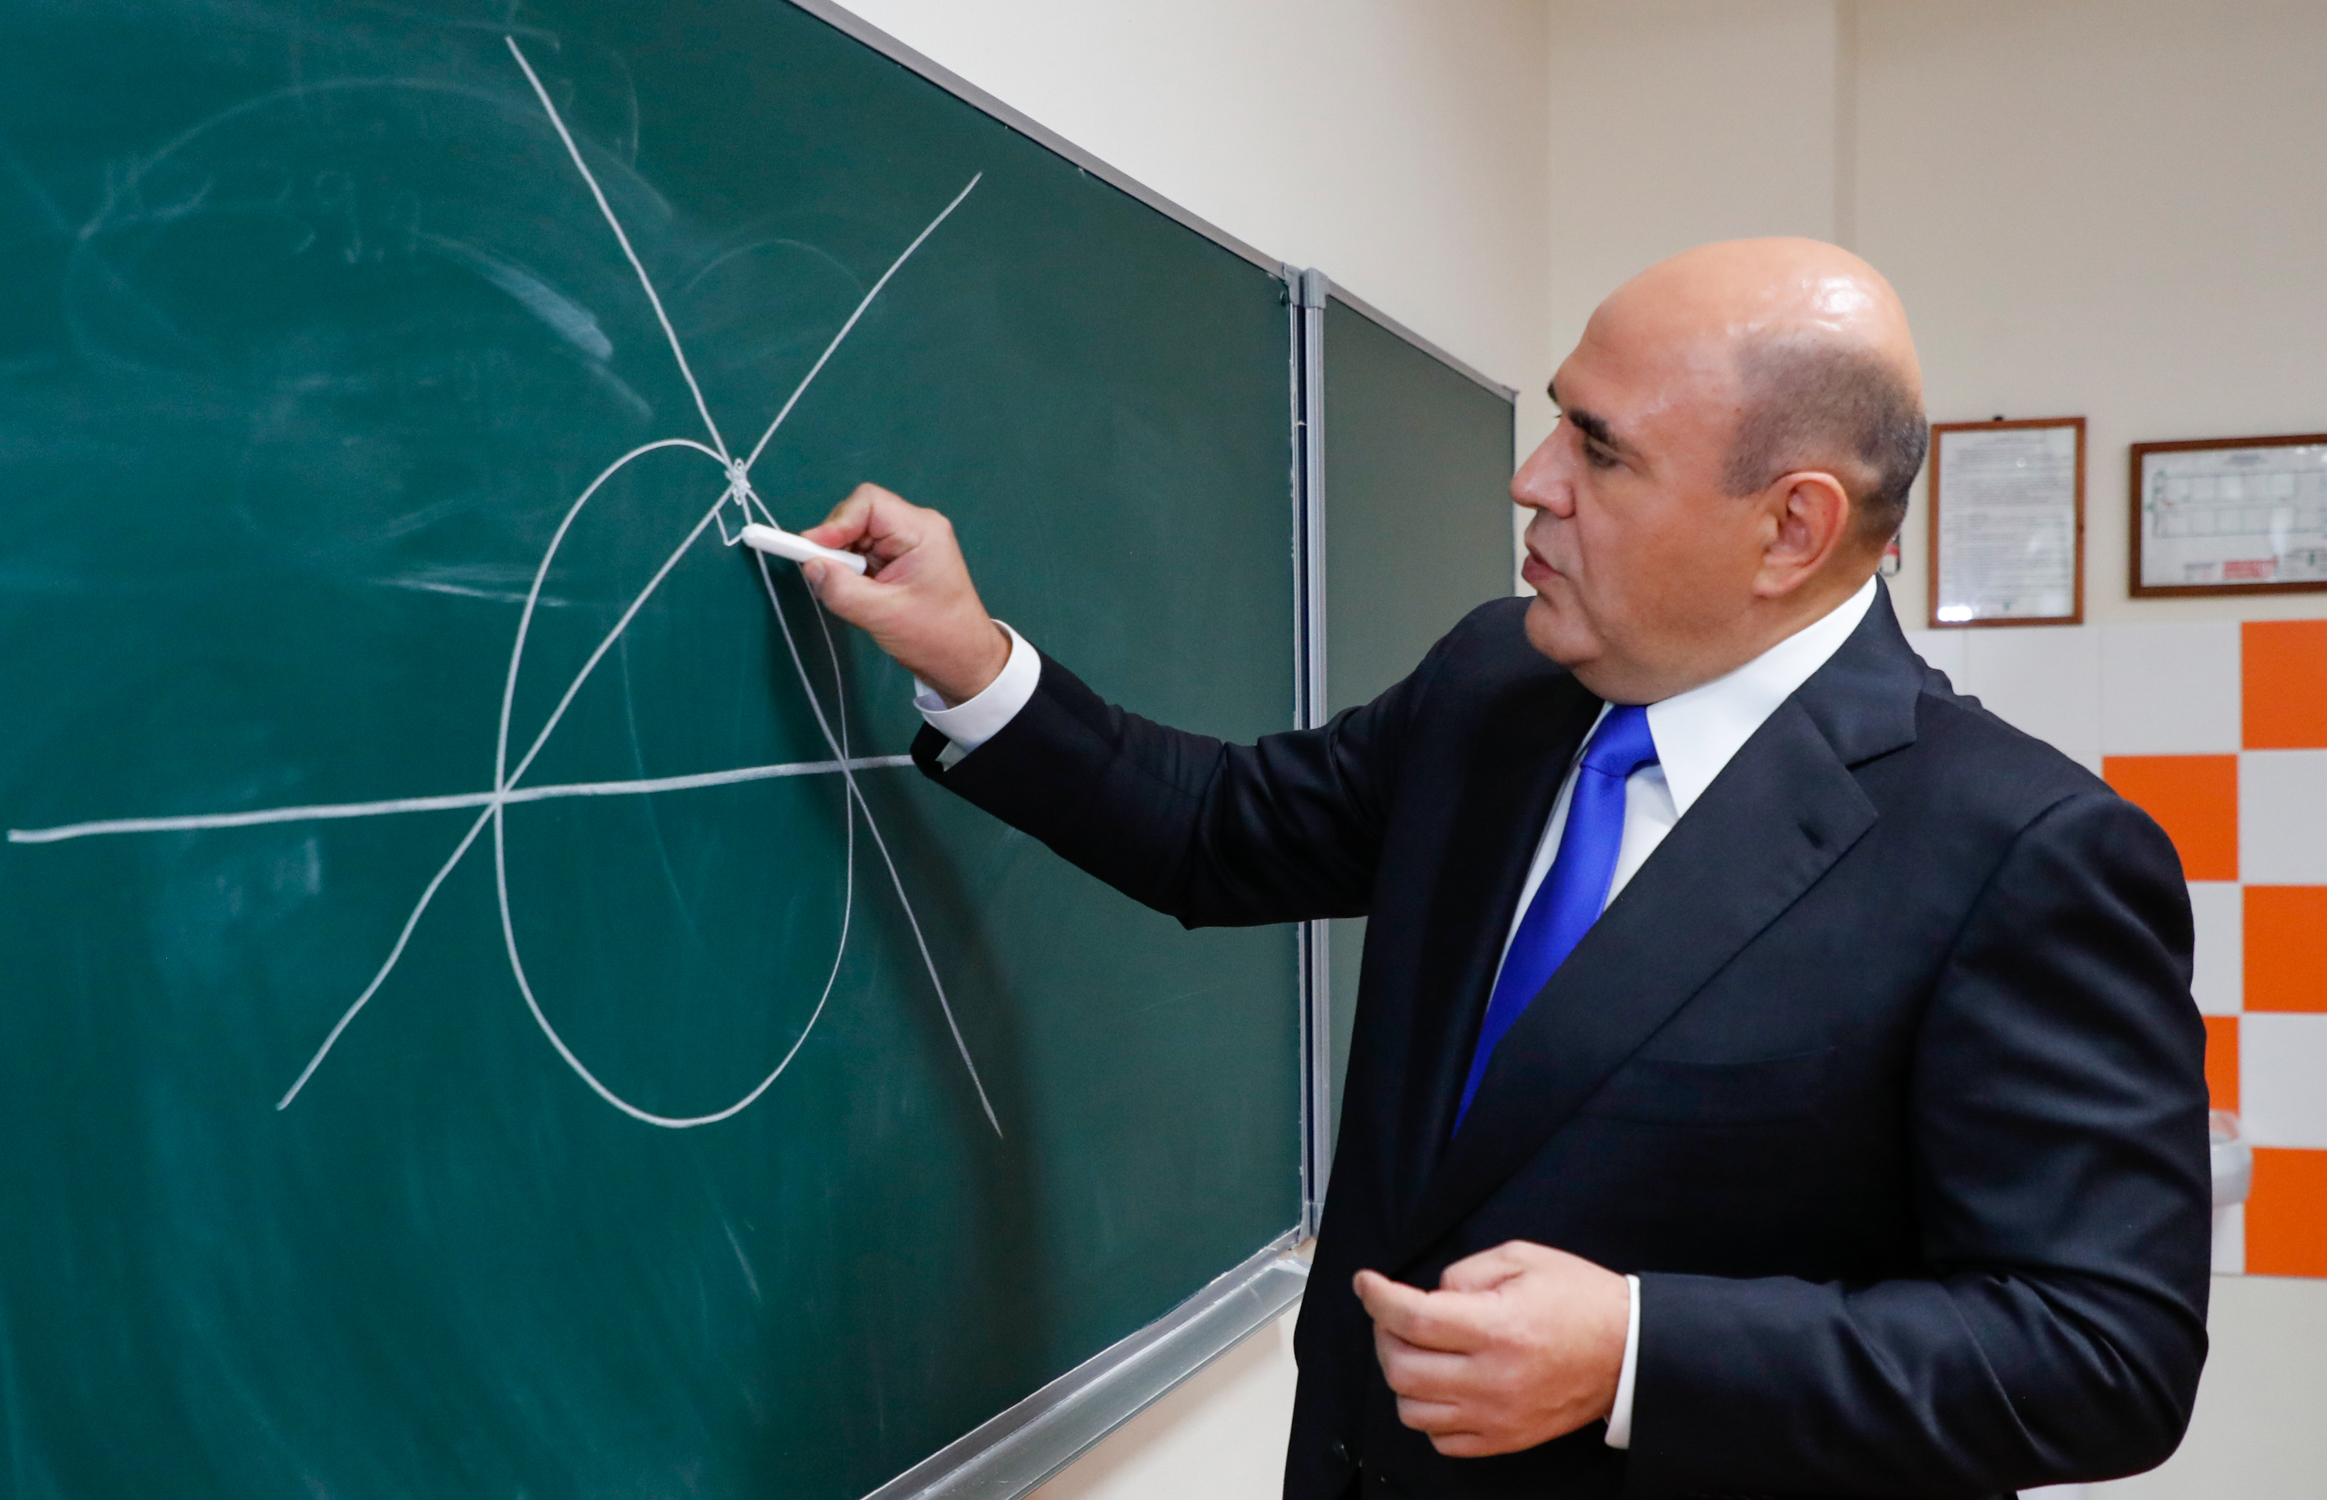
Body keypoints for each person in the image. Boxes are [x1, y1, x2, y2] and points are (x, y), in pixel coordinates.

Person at [792, 239, 2211, 1499]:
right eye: (1555, 420)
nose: (1532, 481)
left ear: (1792, 528)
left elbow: (2104, 1352)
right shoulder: (1498, 684)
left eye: (1599, 450)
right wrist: (971, 659)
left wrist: (1639, 1354)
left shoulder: (2021, 850)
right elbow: (1218, 831)